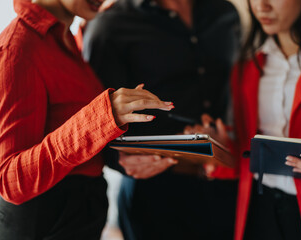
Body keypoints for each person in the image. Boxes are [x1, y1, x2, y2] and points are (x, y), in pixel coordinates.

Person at [0, 0, 177, 239]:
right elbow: (11, 181)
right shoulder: (16, 48)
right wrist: (100, 118)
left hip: (77, 216)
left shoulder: (68, 39)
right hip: (38, 224)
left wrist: (123, 158)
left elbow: (74, 138)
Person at [187, 0, 301, 239]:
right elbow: (248, 152)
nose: (260, 6)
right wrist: (217, 148)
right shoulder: (247, 63)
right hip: (259, 211)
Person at [82, 0, 241, 239]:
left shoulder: (226, 13)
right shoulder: (110, 25)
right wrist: (122, 160)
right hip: (154, 193)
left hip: (225, 181)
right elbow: (95, 123)